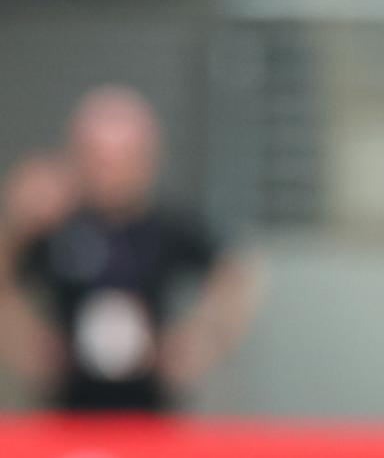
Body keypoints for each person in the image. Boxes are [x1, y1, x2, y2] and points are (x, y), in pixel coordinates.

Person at [0, 86, 260, 412]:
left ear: (146, 159)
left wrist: (198, 343)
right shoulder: (54, 225)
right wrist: (15, 226)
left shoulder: (169, 226)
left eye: (123, 157)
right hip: (67, 411)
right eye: (97, 156)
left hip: (150, 411)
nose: (109, 171)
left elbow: (237, 274)